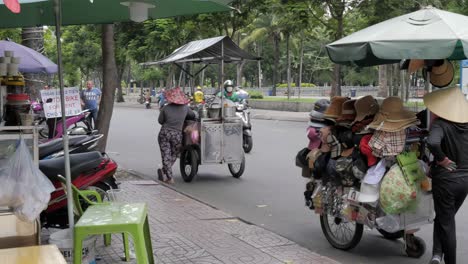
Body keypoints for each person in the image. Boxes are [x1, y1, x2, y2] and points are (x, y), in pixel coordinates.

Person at [425, 87, 468, 264]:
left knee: (447, 223)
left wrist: (442, 160)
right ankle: (436, 253)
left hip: (446, 182)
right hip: (465, 181)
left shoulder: (440, 124)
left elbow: (432, 143)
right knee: (444, 218)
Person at [157, 87, 196, 184]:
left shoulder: (165, 108)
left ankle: (169, 177)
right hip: (177, 135)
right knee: (174, 154)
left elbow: (160, 121)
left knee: (166, 154)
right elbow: (193, 116)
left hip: (165, 133)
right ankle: (165, 171)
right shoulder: (185, 108)